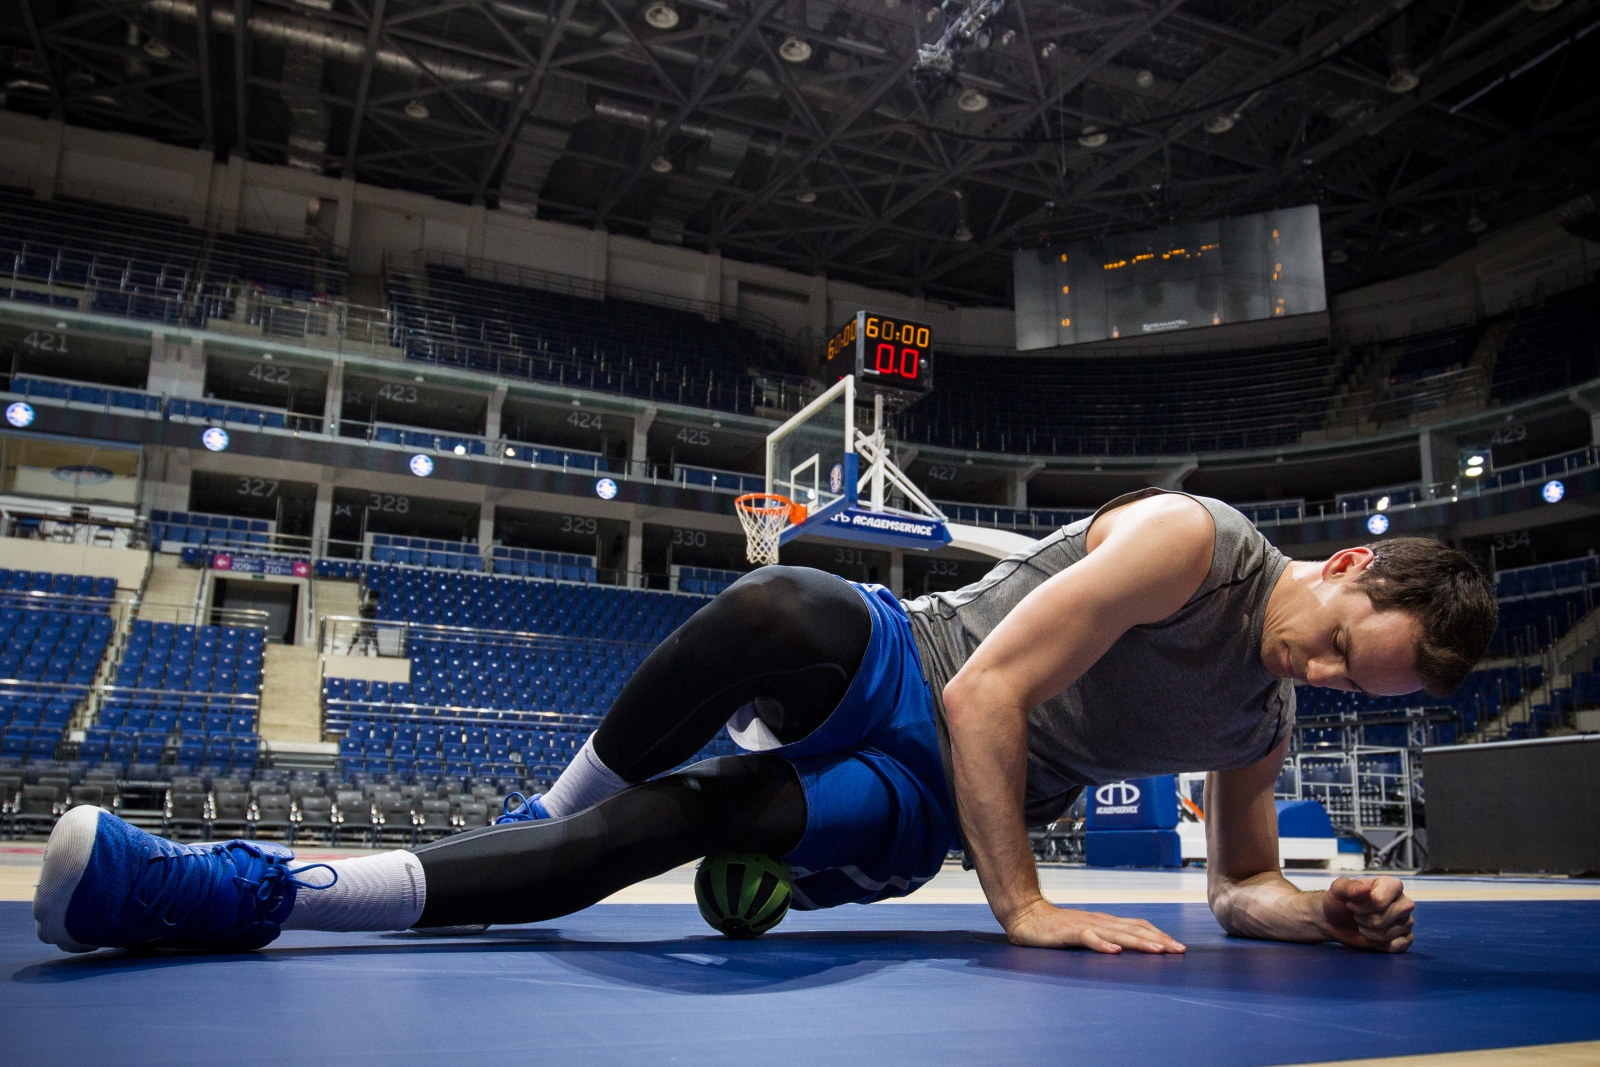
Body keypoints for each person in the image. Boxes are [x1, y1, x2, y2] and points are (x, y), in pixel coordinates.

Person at [33, 489, 1497, 956]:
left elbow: (1240, 884)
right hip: (916, 663)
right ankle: (542, 822)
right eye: (1342, 651)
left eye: (1355, 693)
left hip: (929, 801)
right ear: (1348, 566)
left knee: (696, 820)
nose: (1323, 681)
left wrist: (1322, 914)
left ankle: (237, 894)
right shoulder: (1194, 543)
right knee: (778, 601)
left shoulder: (1257, 710)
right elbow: (984, 688)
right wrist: (1027, 907)